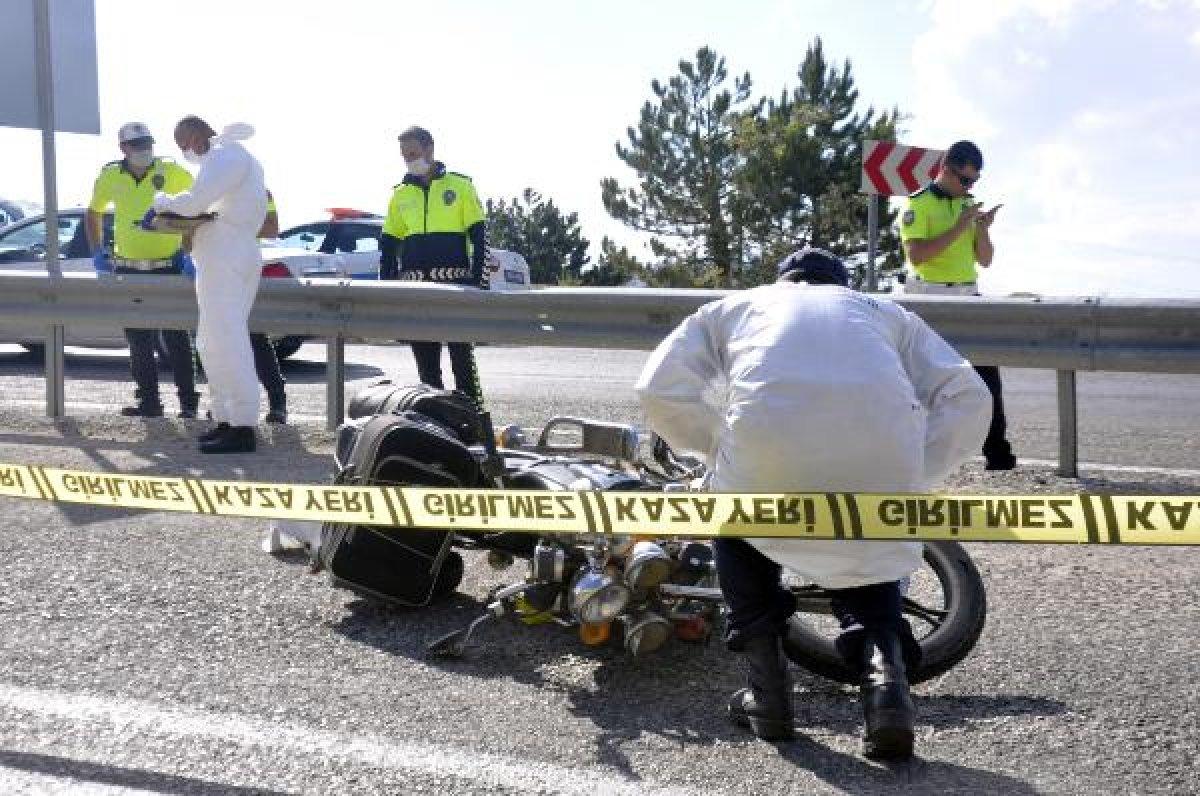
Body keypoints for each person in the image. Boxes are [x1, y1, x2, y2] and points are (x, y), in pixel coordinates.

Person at [635, 248, 991, 760]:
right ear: (843, 286)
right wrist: (917, 467)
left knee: (739, 530)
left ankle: (769, 700)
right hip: (879, 459)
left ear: (783, 281)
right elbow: (970, 396)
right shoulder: (885, 312)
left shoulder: (735, 306)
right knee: (869, 556)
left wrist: (717, 448)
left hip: (763, 453)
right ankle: (888, 697)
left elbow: (657, 388)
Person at [152, 117, 268, 454]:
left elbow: (193, 202)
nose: (186, 150)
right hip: (219, 256)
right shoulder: (222, 158)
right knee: (212, 342)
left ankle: (243, 425)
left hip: (228, 255)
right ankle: (226, 419)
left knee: (228, 340)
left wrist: (161, 202)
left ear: (200, 131)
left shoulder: (227, 155)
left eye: (185, 142)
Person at [901, 140, 1017, 471]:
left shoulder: (967, 205)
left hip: (968, 296)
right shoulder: (918, 204)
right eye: (964, 180)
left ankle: (998, 454)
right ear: (945, 169)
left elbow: (986, 260)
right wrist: (960, 225)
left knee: (988, 378)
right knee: (921, 383)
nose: (969, 188)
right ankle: (913, 452)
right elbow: (917, 256)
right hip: (931, 299)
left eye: (974, 181)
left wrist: (982, 229)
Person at [85, 122, 200, 419]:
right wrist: (97, 252)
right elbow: (94, 212)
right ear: (123, 148)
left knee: (177, 338)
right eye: (137, 145)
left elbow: (198, 208)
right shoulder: (110, 175)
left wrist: (190, 252)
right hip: (129, 270)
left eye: (147, 143)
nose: (144, 150)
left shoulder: (172, 171)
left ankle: (189, 405)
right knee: (138, 341)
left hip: (169, 267)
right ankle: (149, 403)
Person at [380, 126, 488, 409]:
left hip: (455, 289)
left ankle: (475, 422)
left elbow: (480, 236)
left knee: (463, 367)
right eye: (405, 156)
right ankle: (436, 424)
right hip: (416, 292)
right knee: (427, 375)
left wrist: (478, 280)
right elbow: (388, 244)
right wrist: (387, 287)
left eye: (413, 153)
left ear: (430, 148)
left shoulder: (461, 186)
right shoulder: (400, 193)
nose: (409, 160)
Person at [250, 190, 288, 424]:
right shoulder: (212, 185)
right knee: (224, 344)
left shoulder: (261, 191)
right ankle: (225, 406)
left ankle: (277, 401)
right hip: (217, 270)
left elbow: (272, 228)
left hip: (245, 270)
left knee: (255, 337)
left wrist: (231, 228)